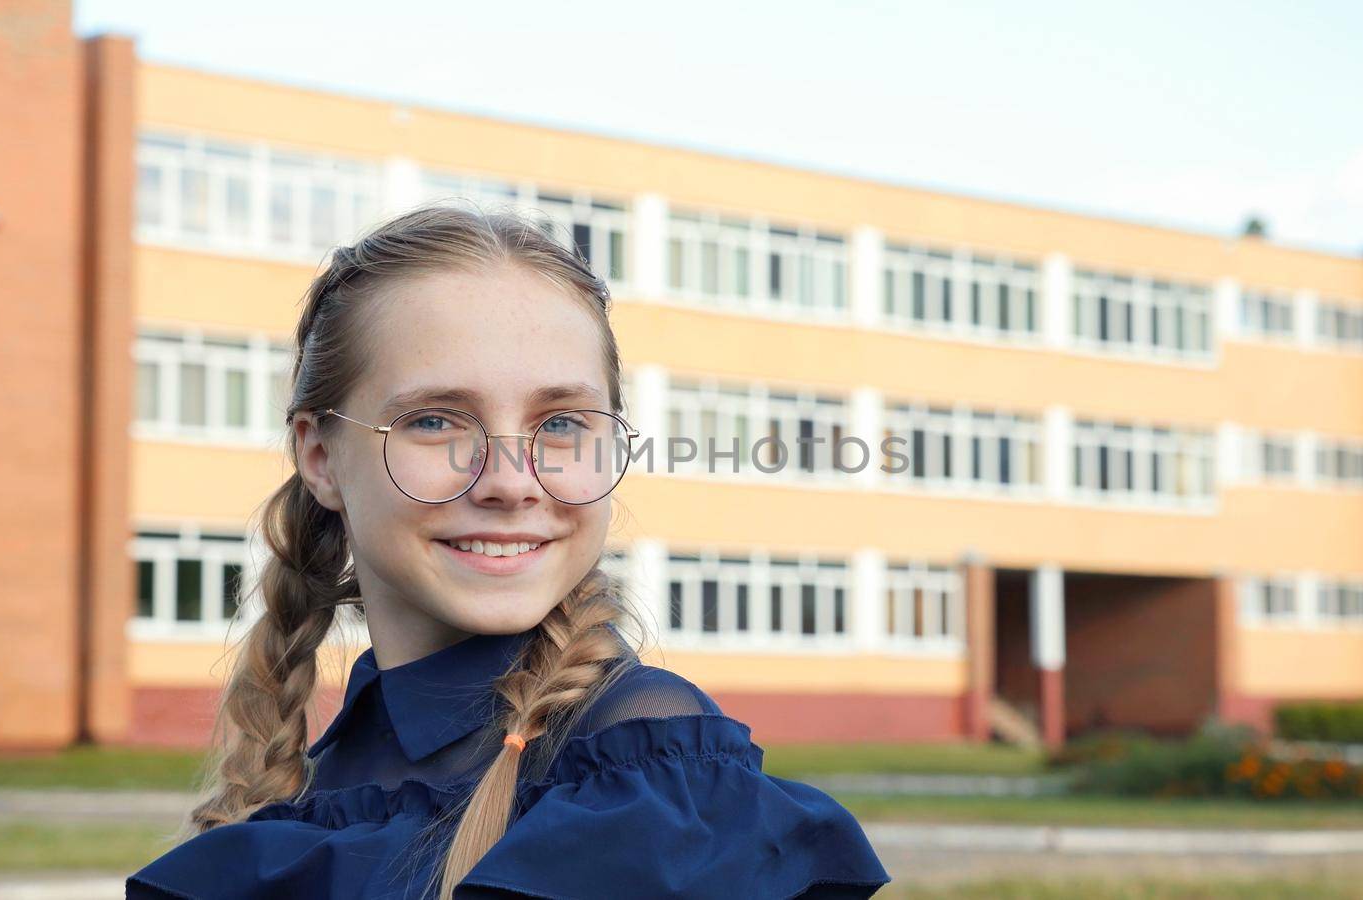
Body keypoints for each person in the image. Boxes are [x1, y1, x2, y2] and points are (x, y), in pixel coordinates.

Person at [125, 203, 892, 899]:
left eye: (561, 424)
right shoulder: (322, 779)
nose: (510, 481)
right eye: (435, 422)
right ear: (320, 457)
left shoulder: (650, 782)